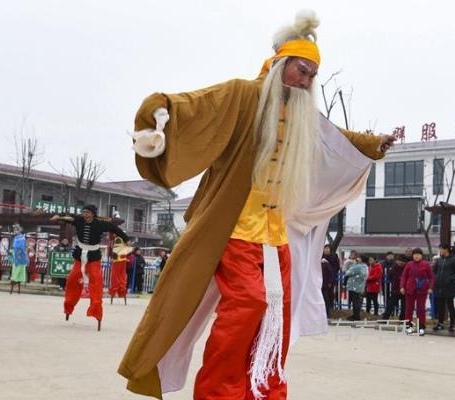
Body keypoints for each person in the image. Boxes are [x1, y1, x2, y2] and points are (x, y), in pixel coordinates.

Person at [119, 10, 395, 399]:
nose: (307, 81)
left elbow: (335, 138)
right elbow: (194, 104)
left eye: (312, 76)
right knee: (246, 305)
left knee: (276, 318)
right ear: (282, 63)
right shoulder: (243, 95)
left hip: (276, 238)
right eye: (302, 71)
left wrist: (373, 144)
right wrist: (158, 109)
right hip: (234, 230)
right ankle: (218, 393)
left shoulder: (301, 114)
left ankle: (265, 392)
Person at [51, 204, 129, 330]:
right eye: (84, 212)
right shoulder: (79, 220)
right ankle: (68, 305)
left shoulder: (101, 224)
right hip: (79, 255)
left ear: (93, 213)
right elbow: (68, 218)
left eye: (88, 212)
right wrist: (59, 217)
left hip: (93, 257)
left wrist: (126, 239)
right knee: (72, 279)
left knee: (97, 280)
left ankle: (96, 309)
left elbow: (115, 229)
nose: (85, 214)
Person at [401, 248, 434, 336]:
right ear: (412, 255)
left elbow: (431, 277)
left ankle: (421, 327)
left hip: (422, 290)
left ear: (421, 256)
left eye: (418, 254)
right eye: (415, 254)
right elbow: (404, 276)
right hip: (410, 289)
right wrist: (402, 287)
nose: (416, 256)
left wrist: (430, 287)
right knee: (409, 309)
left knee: (421, 309)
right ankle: (408, 327)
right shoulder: (409, 264)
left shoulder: (426, 264)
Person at [432, 244, 455, 333]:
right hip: (439, 286)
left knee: (450, 306)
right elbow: (434, 271)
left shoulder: (454, 259)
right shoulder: (439, 260)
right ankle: (440, 324)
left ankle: (452, 324)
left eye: (441, 249)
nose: (440, 250)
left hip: (449, 286)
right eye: (440, 249)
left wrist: (450, 279)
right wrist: (435, 278)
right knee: (440, 306)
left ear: (446, 250)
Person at [381, 255, 408, 320]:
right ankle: (385, 318)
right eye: (398, 261)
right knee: (390, 305)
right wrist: (394, 282)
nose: (400, 263)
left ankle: (402, 319)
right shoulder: (394, 267)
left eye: (401, 261)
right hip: (395, 289)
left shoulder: (407, 268)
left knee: (404, 306)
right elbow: (390, 276)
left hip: (405, 290)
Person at [345, 255, 369, 321]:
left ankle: (356, 316)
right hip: (360, 287)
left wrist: (354, 264)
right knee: (357, 302)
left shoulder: (358, 266)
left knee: (355, 302)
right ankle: (356, 315)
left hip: (354, 286)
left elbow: (347, 272)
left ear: (361, 259)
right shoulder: (365, 267)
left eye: (358, 258)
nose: (357, 259)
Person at [9, 223, 28, 294]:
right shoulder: (16, 237)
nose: (15, 231)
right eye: (14, 230)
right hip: (16, 253)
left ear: (19, 230)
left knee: (18, 268)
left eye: (16, 230)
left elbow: (21, 247)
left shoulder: (21, 237)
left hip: (19, 254)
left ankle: (15, 279)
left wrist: (18, 253)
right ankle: (15, 279)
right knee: (16, 267)